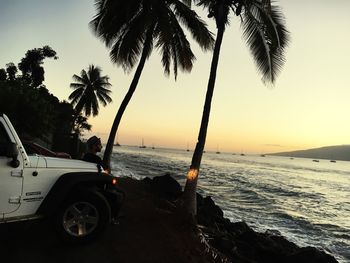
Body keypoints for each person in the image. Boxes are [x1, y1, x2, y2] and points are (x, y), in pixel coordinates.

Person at [83, 135, 124, 224]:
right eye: (99, 145)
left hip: (90, 184)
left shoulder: (85, 157)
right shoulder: (96, 159)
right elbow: (106, 171)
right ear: (94, 146)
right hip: (96, 187)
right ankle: (112, 218)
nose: (101, 147)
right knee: (120, 195)